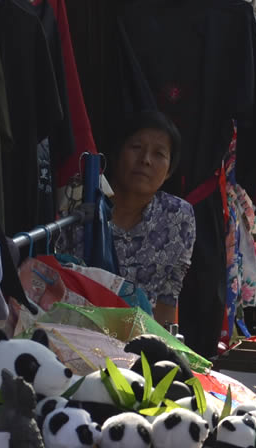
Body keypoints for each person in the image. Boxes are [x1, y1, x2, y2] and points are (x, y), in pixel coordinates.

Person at [61, 111, 195, 326]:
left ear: (170, 170)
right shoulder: (80, 202)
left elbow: (168, 296)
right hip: (72, 332)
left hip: (141, 338)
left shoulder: (178, 216)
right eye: (136, 148)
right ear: (116, 153)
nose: (145, 160)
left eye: (159, 154)